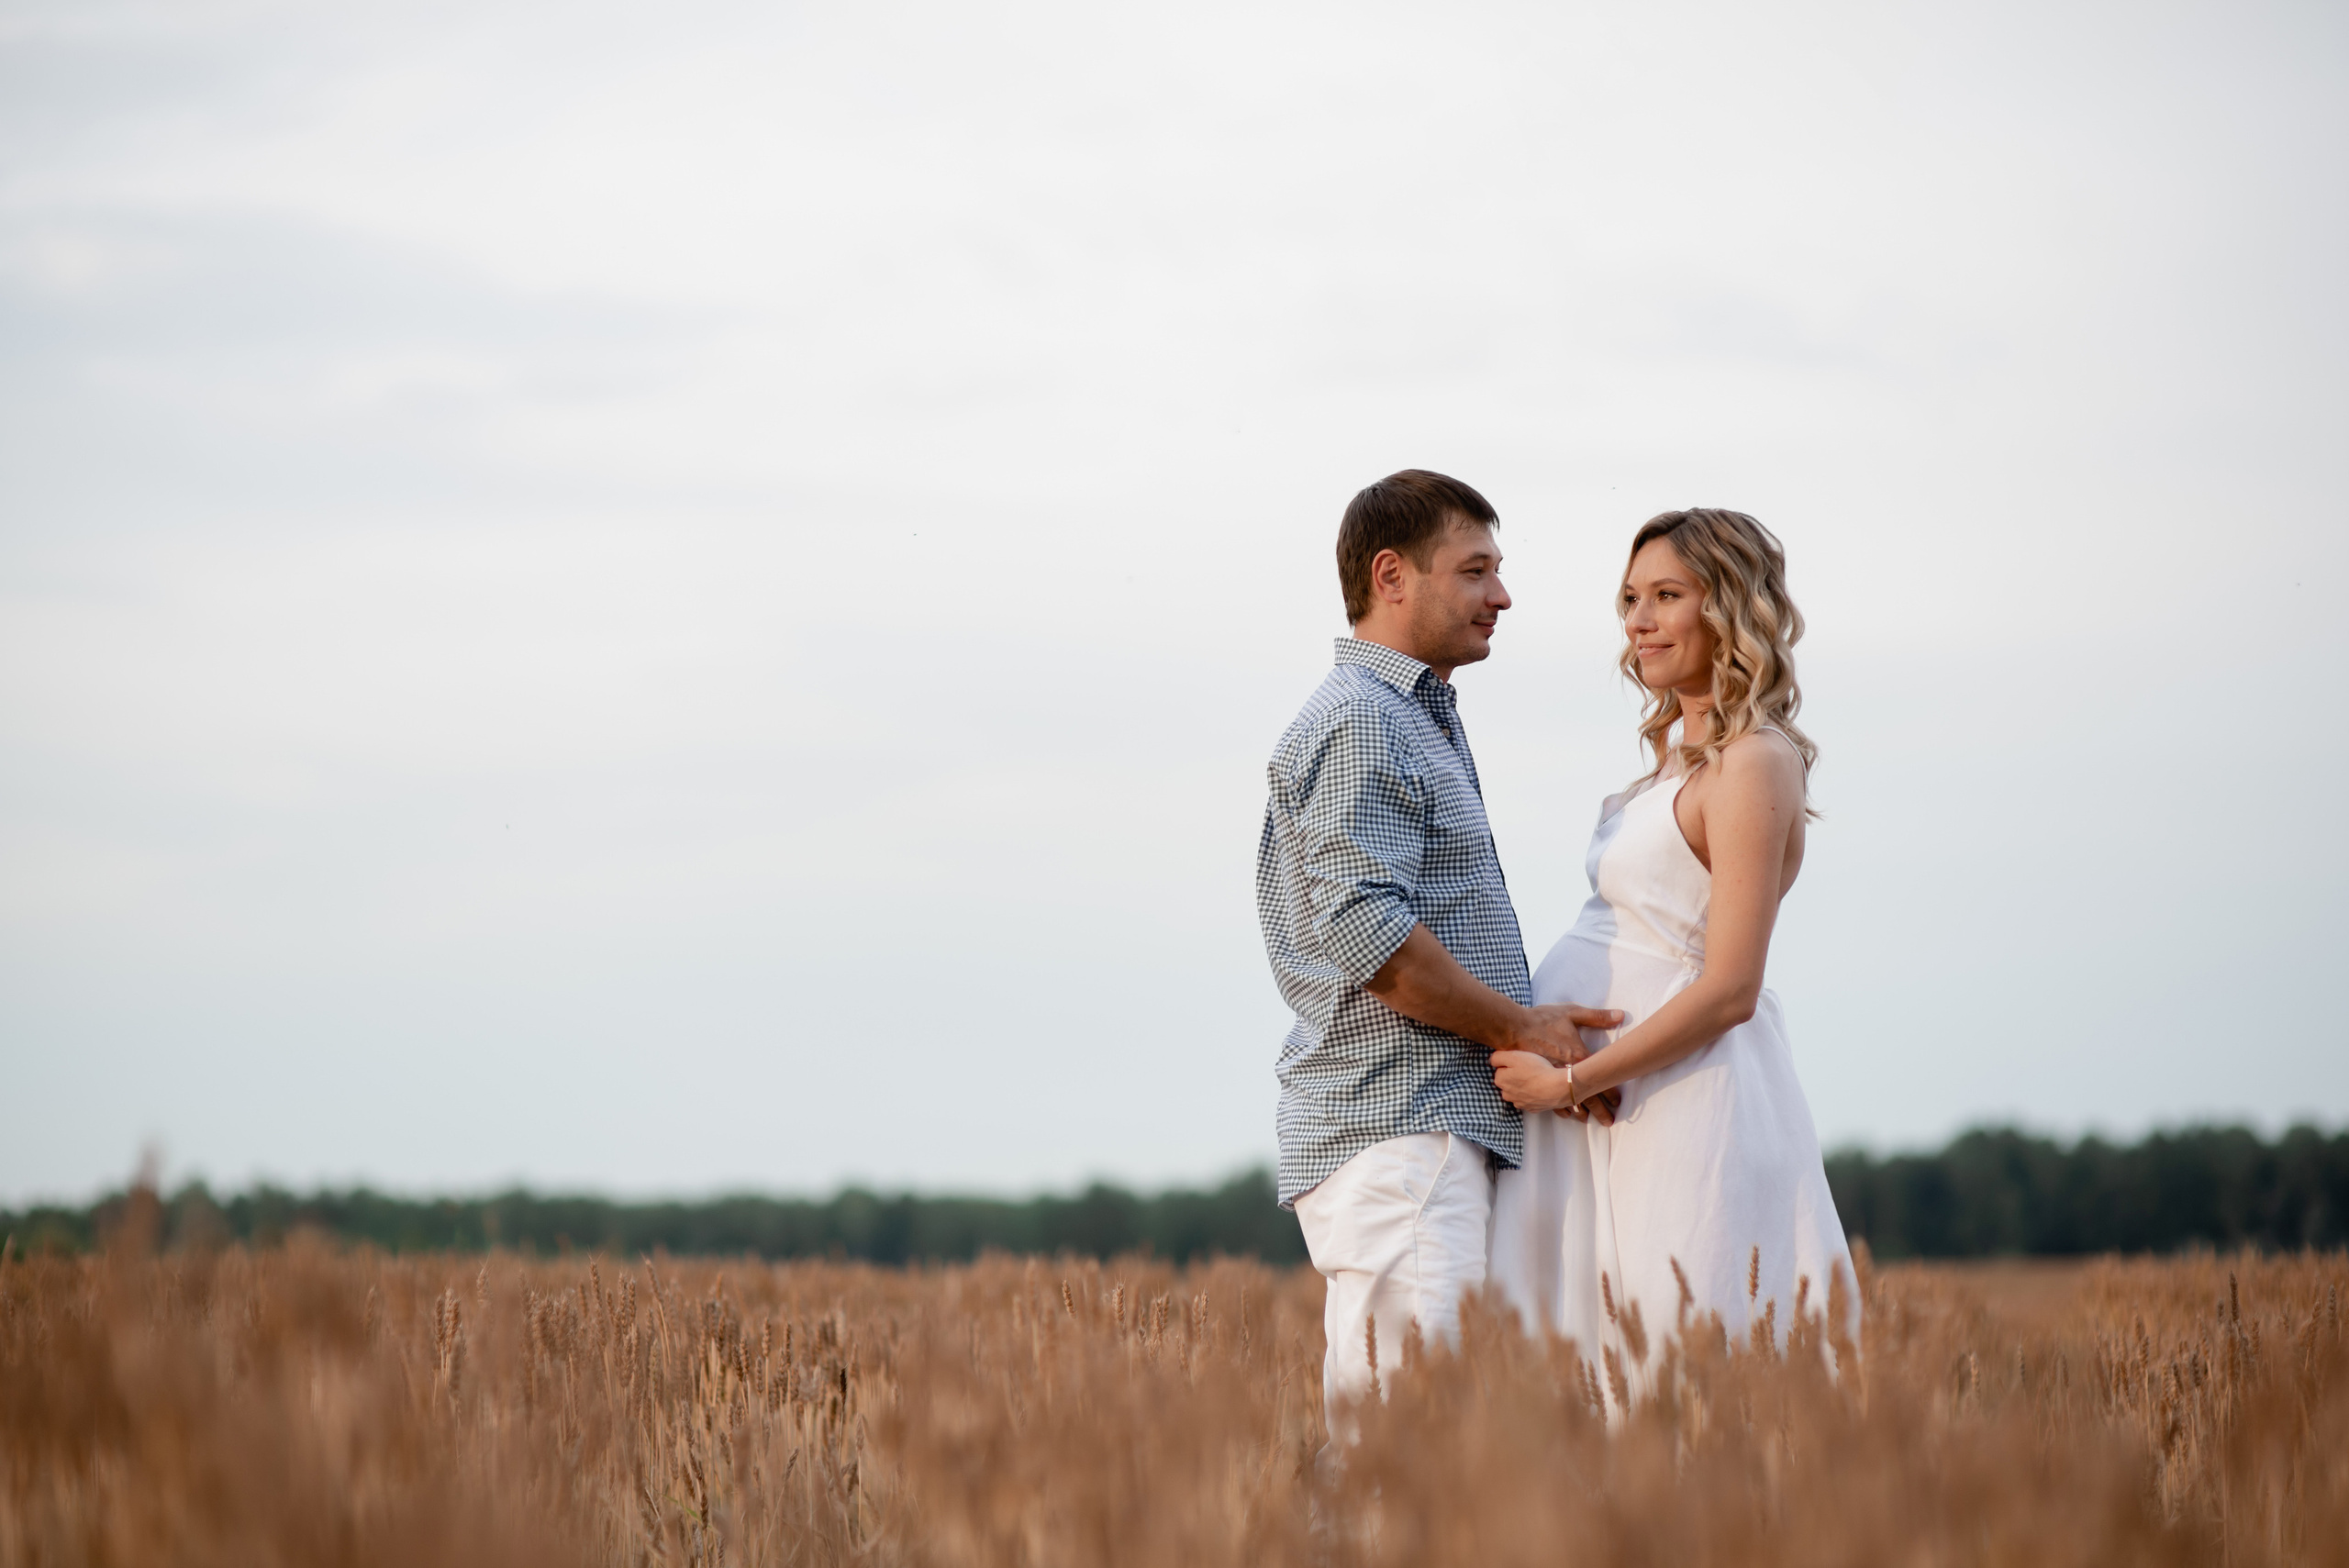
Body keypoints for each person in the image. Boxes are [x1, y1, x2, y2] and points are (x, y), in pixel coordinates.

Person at [1255, 469, 1622, 1444]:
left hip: (1420, 1128)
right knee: (1411, 1454)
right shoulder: (1362, 718)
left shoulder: (1407, 716)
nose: (1501, 595)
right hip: (1401, 1128)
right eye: (1474, 570)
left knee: (1403, 1447)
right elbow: (1371, 937)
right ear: (1392, 576)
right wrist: (1520, 1026)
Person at [1486, 507, 1857, 1399]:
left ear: (1728, 606)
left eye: (1666, 596)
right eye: (1629, 599)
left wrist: (1571, 1080)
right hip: (1607, 1101)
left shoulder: (1753, 760)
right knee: (1581, 1369)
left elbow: (1730, 986)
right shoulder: (1668, 761)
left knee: (1676, 1363)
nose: (1639, 621)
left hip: (1681, 1099)